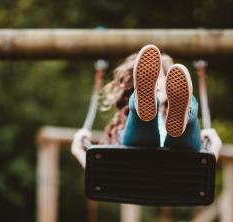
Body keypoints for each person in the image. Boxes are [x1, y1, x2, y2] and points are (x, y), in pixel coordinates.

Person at [71, 45, 222, 168]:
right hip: (175, 175)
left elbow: (101, 178)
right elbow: (202, 174)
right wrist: (214, 148)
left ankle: (185, 115)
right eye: (149, 79)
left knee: (183, 130)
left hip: (170, 162)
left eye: (159, 77)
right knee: (139, 128)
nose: (155, 82)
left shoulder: (119, 130)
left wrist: (78, 150)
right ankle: (142, 110)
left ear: (171, 83)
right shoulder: (120, 128)